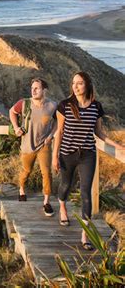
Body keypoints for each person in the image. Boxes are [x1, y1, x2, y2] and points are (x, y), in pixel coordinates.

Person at [52, 71, 125, 250]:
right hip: (67, 153)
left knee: (86, 193)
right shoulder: (65, 105)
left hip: (88, 154)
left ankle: (85, 235)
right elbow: (59, 132)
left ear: (87, 85)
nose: (75, 86)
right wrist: (55, 156)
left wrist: (118, 146)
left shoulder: (96, 106)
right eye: (73, 83)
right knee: (65, 186)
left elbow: (99, 133)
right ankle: (62, 207)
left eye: (80, 83)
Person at [9, 78, 57, 216]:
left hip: (44, 145)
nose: (33, 90)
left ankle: (46, 202)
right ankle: (22, 190)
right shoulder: (24, 103)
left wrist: (51, 136)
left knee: (46, 173)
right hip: (27, 145)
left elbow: (58, 122)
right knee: (26, 171)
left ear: (44, 90)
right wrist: (16, 127)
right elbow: (12, 111)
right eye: (32, 88)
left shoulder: (52, 105)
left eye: (37, 88)